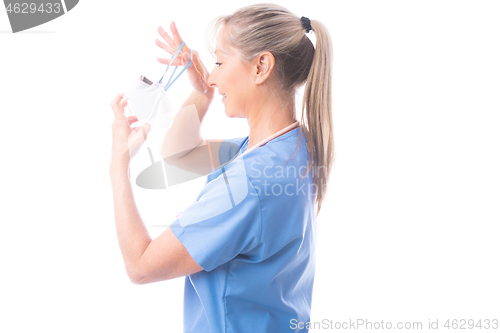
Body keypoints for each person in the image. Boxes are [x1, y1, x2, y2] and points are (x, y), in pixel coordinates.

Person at [109, 3, 333, 332]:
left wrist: (118, 164)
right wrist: (201, 93)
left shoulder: (249, 181)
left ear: (261, 67)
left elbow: (140, 266)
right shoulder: (293, 147)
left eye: (218, 62)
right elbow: (179, 154)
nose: (212, 77)